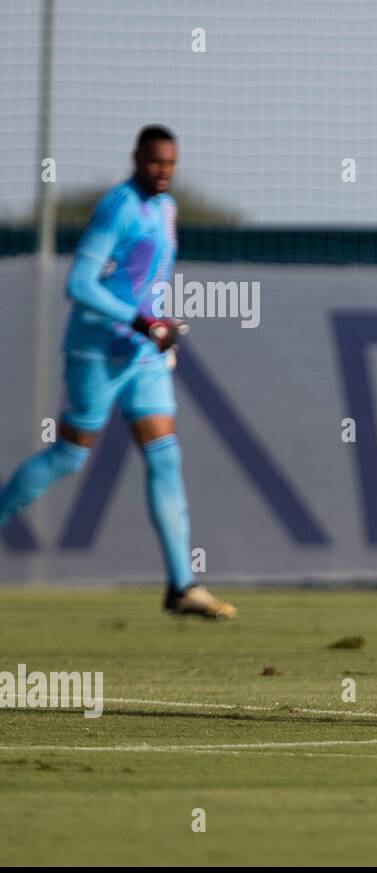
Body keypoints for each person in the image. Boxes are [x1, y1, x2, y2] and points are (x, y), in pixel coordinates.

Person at [0, 125, 236, 619]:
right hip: (99, 349)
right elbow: (79, 283)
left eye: (171, 163)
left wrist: (159, 325)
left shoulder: (166, 208)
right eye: (155, 163)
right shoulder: (119, 206)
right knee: (69, 456)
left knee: (165, 458)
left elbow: (143, 281)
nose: (164, 171)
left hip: (142, 354)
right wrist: (141, 321)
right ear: (136, 159)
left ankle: (181, 586)